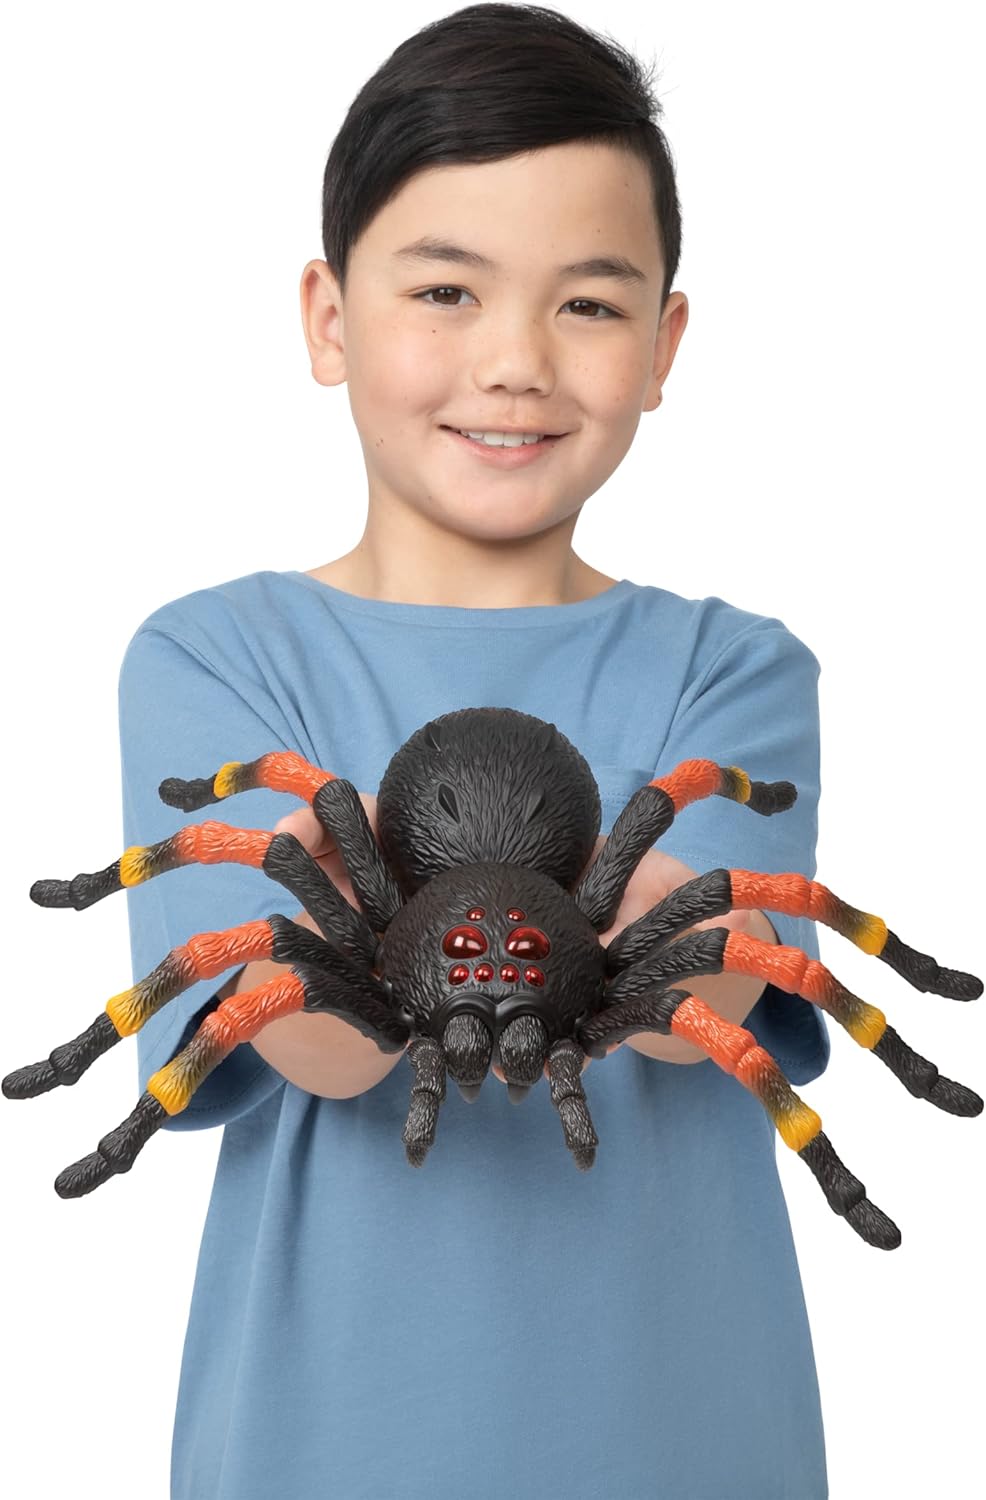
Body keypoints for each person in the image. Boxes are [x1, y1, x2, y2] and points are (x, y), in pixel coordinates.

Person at [119, 7, 831, 1496]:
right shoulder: (216, 659)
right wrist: (322, 920)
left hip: (688, 1447)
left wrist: (680, 936)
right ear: (329, 317)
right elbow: (289, 1029)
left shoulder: (734, 672)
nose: (513, 362)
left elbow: (708, 989)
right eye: (446, 289)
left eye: (588, 304)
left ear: (662, 346)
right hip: (327, 1448)